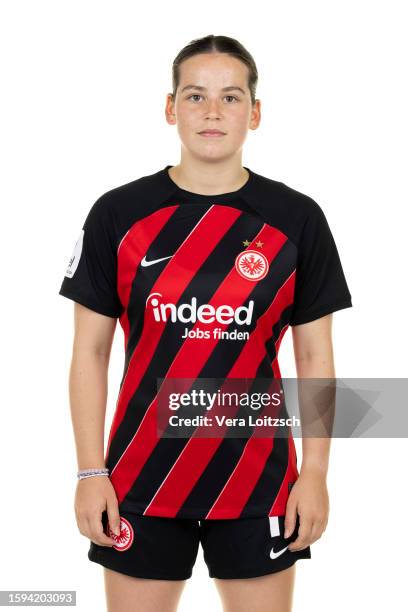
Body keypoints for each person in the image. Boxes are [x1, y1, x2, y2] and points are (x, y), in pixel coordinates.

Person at [58, 34, 352, 612]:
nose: (212, 112)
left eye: (231, 97)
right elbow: (89, 352)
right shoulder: (119, 214)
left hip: (261, 480)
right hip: (140, 477)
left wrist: (314, 474)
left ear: (255, 112)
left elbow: (315, 358)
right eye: (195, 96)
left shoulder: (298, 219)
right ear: (170, 108)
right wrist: (90, 470)